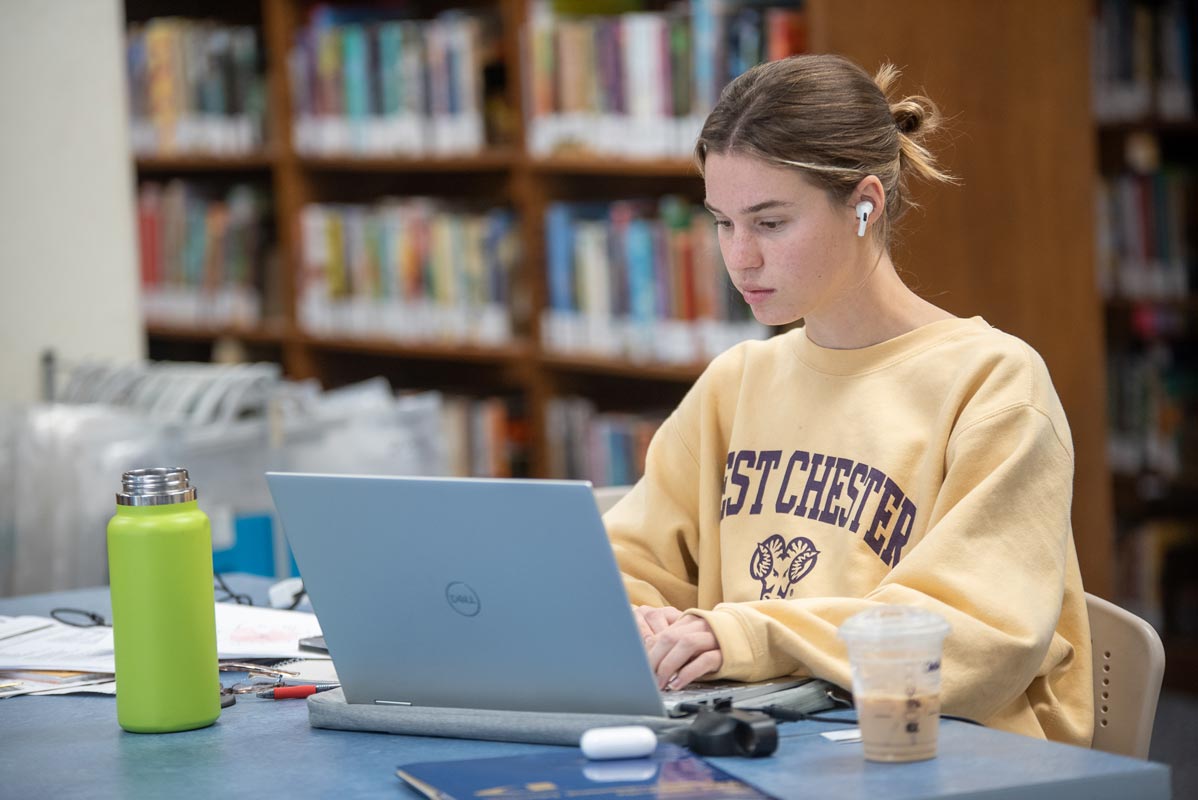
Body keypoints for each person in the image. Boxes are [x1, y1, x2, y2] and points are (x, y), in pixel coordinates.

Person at [602, 53, 1093, 746]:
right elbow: (622, 569)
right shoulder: (736, 384)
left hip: (949, 749)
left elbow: (974, 633)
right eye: (723, 222)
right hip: (769, 737)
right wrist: (637, 617)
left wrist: (748, 635)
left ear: (865, 204)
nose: (739, 257)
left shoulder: (993, 384)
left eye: (770, 223)